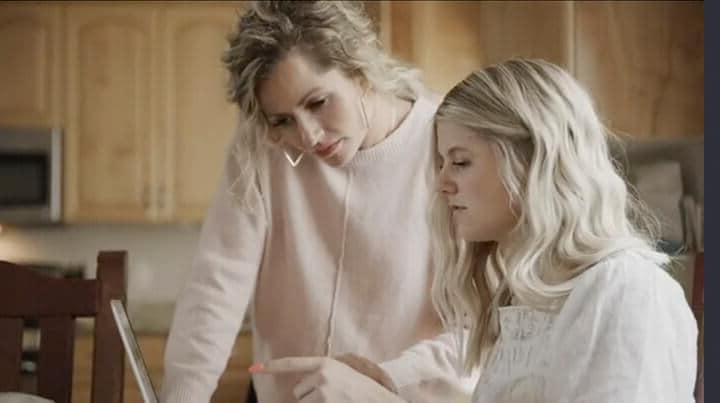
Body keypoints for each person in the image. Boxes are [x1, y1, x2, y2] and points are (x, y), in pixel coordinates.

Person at [253, 58, 699, 402]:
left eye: (461, 162)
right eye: (442, 162)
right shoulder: (525, 300)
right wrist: (386, 384)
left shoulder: (625, 291)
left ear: (531, 160)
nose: (442, 182)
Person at [160, 1, 474, 402]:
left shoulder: (446, 144)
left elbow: (477, 331)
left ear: (360, 73)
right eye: (283, 119)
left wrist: (377, 380)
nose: (307, 136)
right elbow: (216, 284)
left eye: (317, 102)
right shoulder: (262, 145)